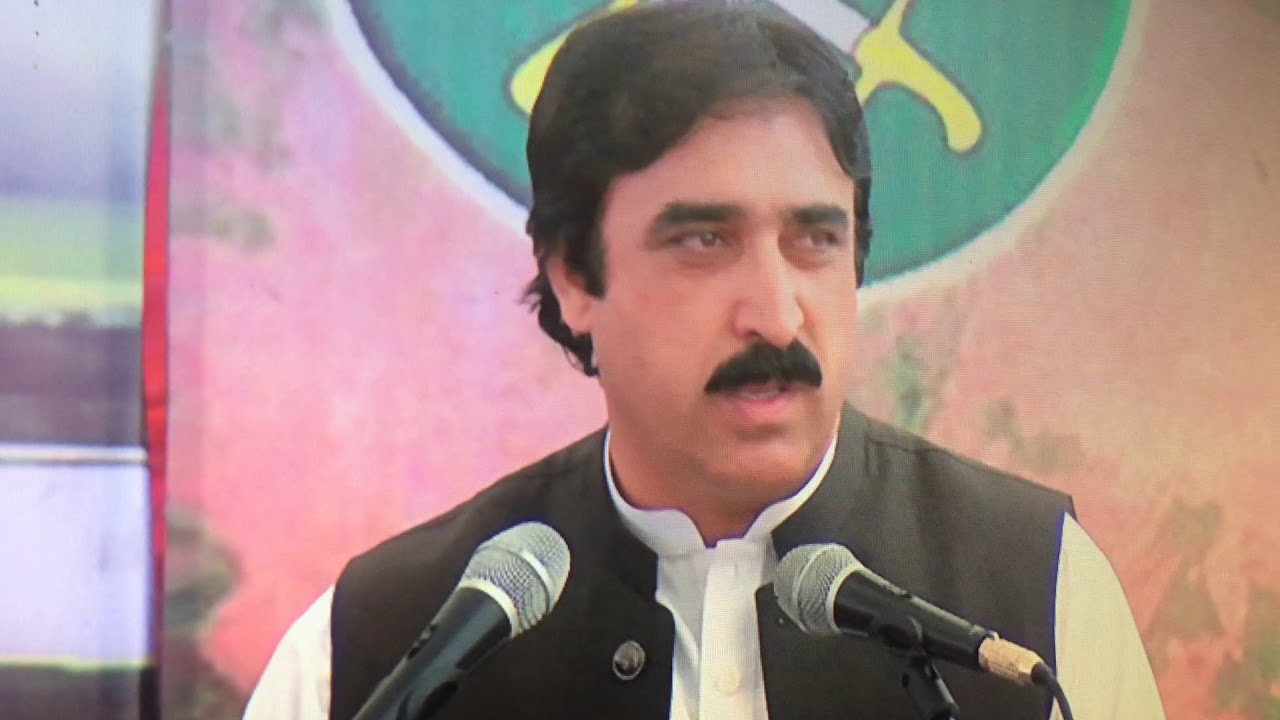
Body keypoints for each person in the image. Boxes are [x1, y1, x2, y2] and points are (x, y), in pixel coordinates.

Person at [244, 3, 1164, 718]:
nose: (775, 314)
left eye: (814, 241)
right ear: (574, 277)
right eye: (704, 242)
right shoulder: (373, 641)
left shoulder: (1034, 592)